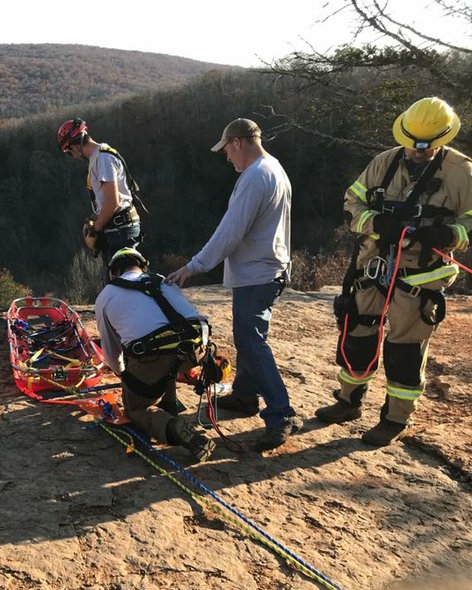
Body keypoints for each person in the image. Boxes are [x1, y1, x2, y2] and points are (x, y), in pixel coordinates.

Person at [316, 97, 472, 446]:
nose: (416, 153)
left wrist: (451, 235)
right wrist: (374, 223)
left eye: (425, 148)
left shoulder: (463, 173)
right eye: (412, 146)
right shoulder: (384, 163)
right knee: (357, 333)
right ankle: (348, 401)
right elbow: (351, 203)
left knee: (404, 349)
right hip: (374, 266)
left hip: (420, 276)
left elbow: (469, 224)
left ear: (441, 140)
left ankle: (395, 418)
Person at [166, 118, 301, 452]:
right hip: (270, 268)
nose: (227, 158)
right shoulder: (274, 168)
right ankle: (244, 396)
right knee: (250, 338)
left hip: (259, 272)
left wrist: (193, 267)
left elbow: (230, 231)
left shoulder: (255, 176)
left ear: (238, 142)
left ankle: (281, 414)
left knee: (251, 342)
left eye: (227, 150)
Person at [95, 247, 216, 462]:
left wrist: (128, 378)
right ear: (142, 266)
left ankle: (175, 427)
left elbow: (112, 355)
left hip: (154, 356)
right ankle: (168, 405)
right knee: (164, 362)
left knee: (137, 407)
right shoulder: (161, 280)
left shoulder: (106, 296)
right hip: (196, 348)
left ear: (114, 271)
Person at [56, 118, 143, 267]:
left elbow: (113, 202)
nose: (72, 155)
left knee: (120, 286)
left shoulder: (103, 159)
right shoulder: (98, 157)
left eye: (69, 151)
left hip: (121, 230)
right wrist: (94, 217)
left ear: (74, 147)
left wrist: (95, 229)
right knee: (117, 283)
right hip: (118, 228)